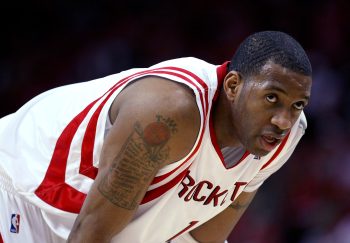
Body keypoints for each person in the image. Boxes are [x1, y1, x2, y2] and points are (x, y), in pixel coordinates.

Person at [0, 30, 312, 243]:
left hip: (88, 222)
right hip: (20, 186)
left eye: (297, 105)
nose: (283, 120)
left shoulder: (284, 136)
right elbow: (90, 234)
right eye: (272, 98)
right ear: (232, 86)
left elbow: (201, 237)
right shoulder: (167, 115)